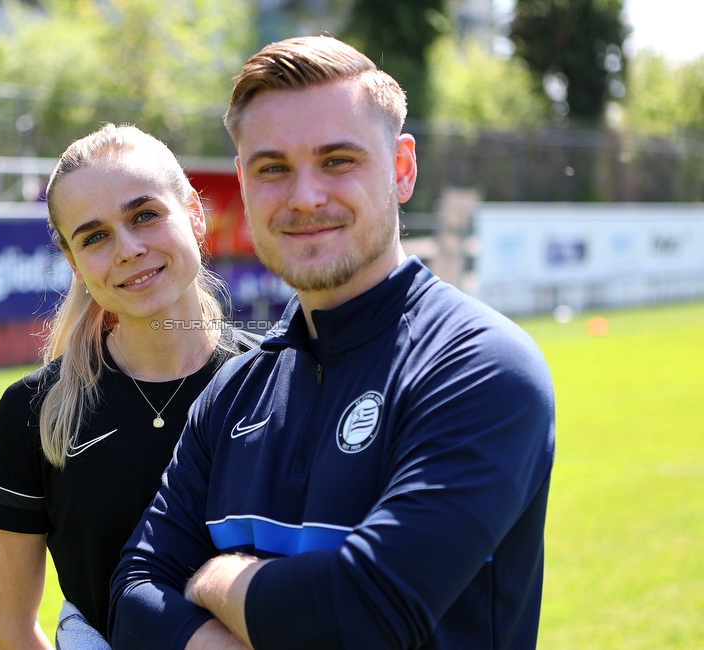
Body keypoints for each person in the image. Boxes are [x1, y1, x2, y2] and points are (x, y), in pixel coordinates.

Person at [109, 36, 556, 650]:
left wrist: (214, 575)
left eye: (338, 160)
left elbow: (362, 618)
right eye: (273, 169)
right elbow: (134, 592)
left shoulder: (479, 366)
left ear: (402, 168)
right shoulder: (234, 392)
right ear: (242, 183)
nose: (305, 197)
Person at [0, 124, 260, 649]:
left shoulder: (276, 382)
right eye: (94, 236)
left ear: (193, 212)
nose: (127, 249)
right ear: (73, 262)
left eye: (145, 215)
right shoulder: (33, 412)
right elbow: (8, 629)